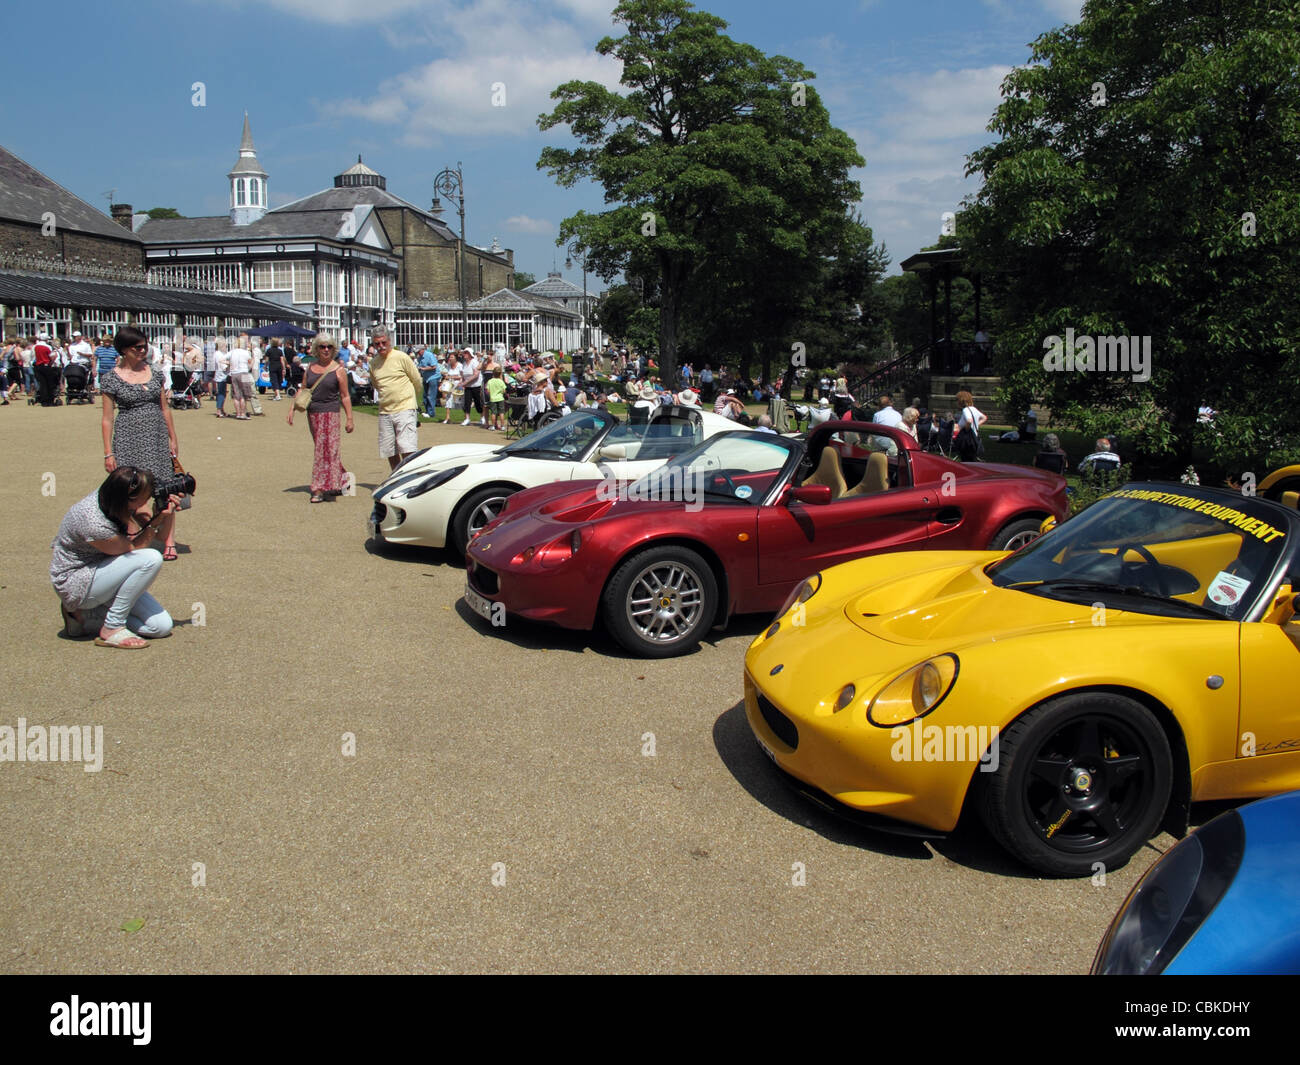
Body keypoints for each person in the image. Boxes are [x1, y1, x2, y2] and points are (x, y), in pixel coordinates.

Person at [50, 466, 179, 648]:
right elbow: (133, 549)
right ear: (129, 498)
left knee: (160, 627)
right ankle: (112, 627)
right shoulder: (92, 519)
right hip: (76, 583)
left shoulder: (118, 502)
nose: (148, 499)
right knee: (151, 558)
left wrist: (164, 515)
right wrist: (155, 522)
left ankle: (89, 616)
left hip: (106, 573)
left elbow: (157, 536)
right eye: (146, 496)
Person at [100, 326, 183, 561]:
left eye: (145, 346)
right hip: (128, 438)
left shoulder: (155, 373)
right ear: (124, 350)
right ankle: (139, 534)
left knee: (166, 490)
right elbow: (107, 418)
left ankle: (169, 541)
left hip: (156, 437)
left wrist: (172, 437)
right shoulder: (110, 379)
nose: (143, 350)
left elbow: (165, 409)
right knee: (130, 493)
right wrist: (108, 453)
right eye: (137, 347)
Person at [287, 334, 354, 503]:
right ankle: (344, 481)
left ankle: (318, 488)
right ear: (317, 349)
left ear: (333, 350)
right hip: (313, 413)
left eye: (329, 347)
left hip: (331, 413)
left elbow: (345, 396)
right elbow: (303, 389)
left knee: (328, 450)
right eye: (323, 346)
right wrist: (291, 409)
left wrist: (350, 418)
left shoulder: (338, 370)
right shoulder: (310, 367)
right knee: (321, 447)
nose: (326, 350)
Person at [369, 327, 422, 471]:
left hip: (405, 407)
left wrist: (413, 401)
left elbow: (416, 380)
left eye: (383, 343)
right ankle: (396, 476)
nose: (380, 347)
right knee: (389, 450)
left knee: (407, 447)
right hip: (385, 411)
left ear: (389, 341)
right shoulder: (373, 363)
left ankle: (411, 478)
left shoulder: (401, 357)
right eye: (377, 344)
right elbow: (376, 385)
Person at [952, 388, 987, 462]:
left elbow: (969, 420)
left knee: (966, 459)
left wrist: (966, 428)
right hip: (974, 437)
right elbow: (984, 418)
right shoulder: (973, 409)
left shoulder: (965, 410)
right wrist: (976, 424)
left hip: (967, 439)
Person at [227, 334, 254, 419]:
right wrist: (253, 360)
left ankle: (238, 413)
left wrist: (230, 365)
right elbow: (250, 364)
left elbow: (222, 360)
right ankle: (243, 413)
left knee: (236, 395)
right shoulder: (246, 352)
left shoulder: (232, 352)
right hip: (244, 372)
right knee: (244, 395)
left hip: (234, 373)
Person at [418, 345, 441, 419]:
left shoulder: (429, 355)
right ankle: (427, 411)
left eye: (418, 351)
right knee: (425, 396)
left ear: (422, 350)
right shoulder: (420, 357)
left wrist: (423, 368)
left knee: (431, 396)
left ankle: (431, 413)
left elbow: (434, 366)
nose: (418, 353)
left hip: (433, 377)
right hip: (426, 378)